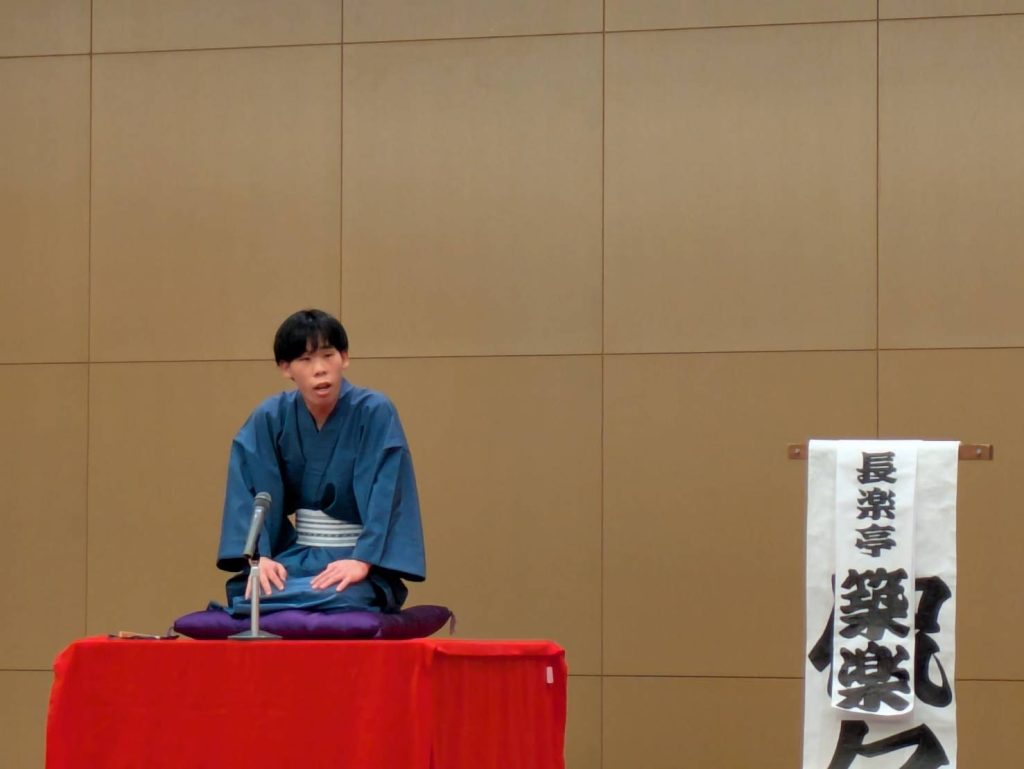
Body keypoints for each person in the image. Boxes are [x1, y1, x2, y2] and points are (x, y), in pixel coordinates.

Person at [215, 309, 425, 615]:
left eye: (328, 356)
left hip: (356, 560)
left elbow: (388, 491)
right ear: (285, 368)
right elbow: (250, 489)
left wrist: (363, 560)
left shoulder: (375, 412)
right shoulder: (270, 417)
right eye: (305, 360)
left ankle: (333, 586)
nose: (320, 370)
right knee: (255, 595)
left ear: (344, 358)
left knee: (340, 596)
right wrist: (261, 558)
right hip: (297, 557)